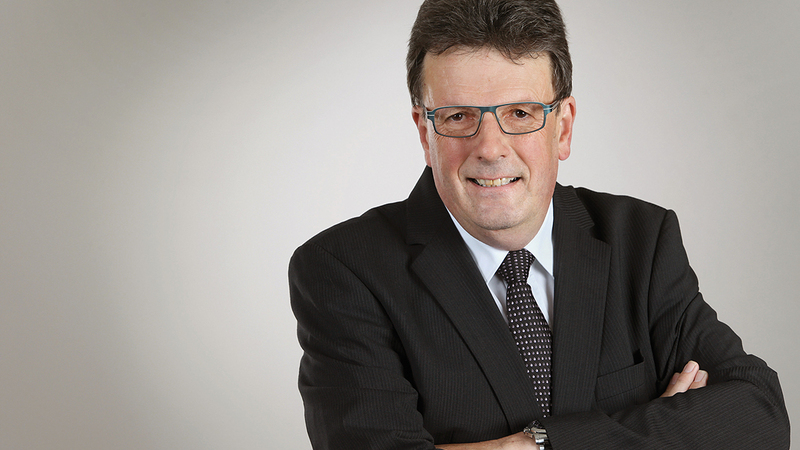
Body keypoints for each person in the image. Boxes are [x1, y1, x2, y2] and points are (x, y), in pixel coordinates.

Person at [289, 0, 790, 448]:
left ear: (563, 128)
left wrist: (537, 444)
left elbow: (759, 417)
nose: (490, 148)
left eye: (520, 113)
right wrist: (658, 429)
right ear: (425, 132)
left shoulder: (641, 239)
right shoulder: (344, 271)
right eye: (459, 116)